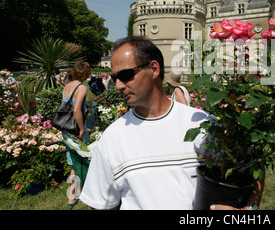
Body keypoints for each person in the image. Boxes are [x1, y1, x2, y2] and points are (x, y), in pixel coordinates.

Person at [79, 36, 263, 210]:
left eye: (126, 75)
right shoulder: (113, 138)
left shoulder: (203, 124)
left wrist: (250, 207)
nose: (118, 85)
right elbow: (101, 204)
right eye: (114, 78)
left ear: (154, 69)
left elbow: (254, 167)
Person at [62, 61, 91, 205]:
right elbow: (76, 110)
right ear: (86, 73)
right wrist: (82, 129)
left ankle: (73, 194)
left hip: (66, 128)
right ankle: (74, 194)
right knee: (80, 159)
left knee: (72, 160)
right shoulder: (82, 88)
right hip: (76, 127)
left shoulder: (67, 86)